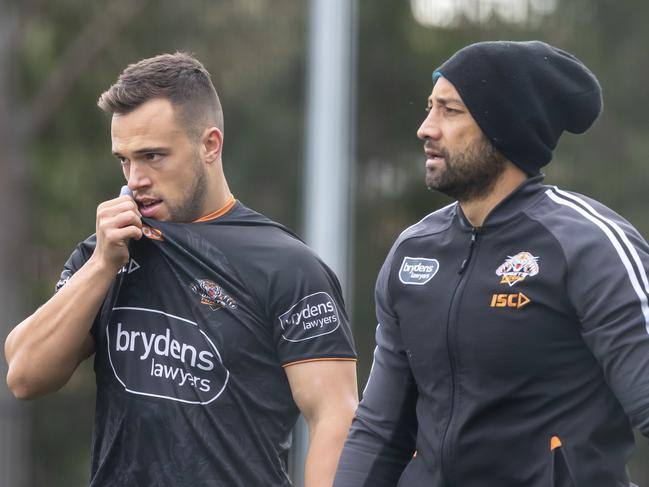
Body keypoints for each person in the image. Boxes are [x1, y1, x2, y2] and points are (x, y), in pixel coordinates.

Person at [5, 52, 358, 487]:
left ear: (210, 145)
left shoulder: (289, 267)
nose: (135, 178)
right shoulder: (108, 251)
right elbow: (24, 374)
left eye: (153, 156)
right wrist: (100, 266)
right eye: (124, 160)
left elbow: (333, 417)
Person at [334, 40, 649, 487]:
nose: (426, 128)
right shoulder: (413, 252)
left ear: (503, 128)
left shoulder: (590, 245)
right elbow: (380, 430)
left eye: (450, 110)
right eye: (429, 108)